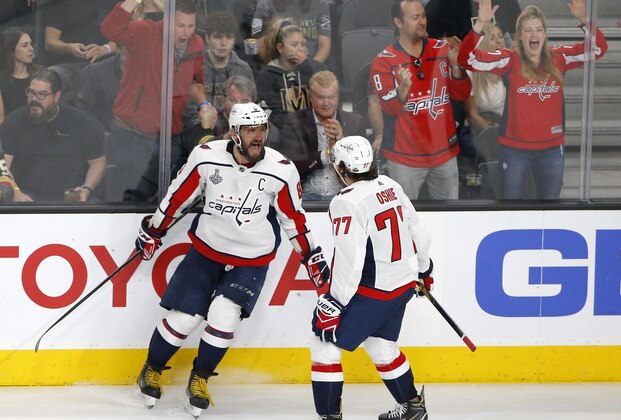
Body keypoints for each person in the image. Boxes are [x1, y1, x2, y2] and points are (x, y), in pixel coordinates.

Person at [133, 102, 330, 418]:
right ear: (234, 133)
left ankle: (199, 379)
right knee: (185, 319)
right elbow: (177, 197)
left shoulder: (281, 169)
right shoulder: (207, 156)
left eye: (262, 129)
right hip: (206, 253)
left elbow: (293, 218)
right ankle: (152, 368)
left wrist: (309, 253)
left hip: (251, 260)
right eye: (251, 130)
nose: (258, 136)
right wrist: (154, 230)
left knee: (224, 318)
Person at [309, 135, 434, 420]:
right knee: (381, 344)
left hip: (374, 291)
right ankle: (413, 407)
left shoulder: (346, 202)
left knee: (325, 344)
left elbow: (350, 261)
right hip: (402, 285)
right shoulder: (390, 185)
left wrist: (335, 303)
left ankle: (328, 416)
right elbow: (420, 233)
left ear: (341, 167)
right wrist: (424, 270)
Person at [459, 0, 608, 199]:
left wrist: (584, 19)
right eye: (528, 30)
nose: (534, 34)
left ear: (545, 34)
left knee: (550, 209)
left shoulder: (559, 57)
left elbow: (597, 49)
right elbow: (467, 59)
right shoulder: (510, 59)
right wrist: (480, 25)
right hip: (515, 152)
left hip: (552, 152)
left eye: (538, 29)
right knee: (511, 210)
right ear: (519, 36)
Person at [100, 0, 217, 201]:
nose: (186, 32)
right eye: (181, 26)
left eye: (191, 26)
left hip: (168, 134)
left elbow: (196, 81)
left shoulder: (197, 43)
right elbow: (110, 29)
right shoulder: (145, 31)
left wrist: (203, 104)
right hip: (132, 134)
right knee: (131, 201)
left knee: (164, 199)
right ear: (168, 21)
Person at [370, 0, 472, 200]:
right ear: (398, 22)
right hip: (405, 159)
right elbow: (389, 109)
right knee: (405, 221)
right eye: (415, 17)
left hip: (444, 155)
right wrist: (403, 91)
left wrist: (455, 66)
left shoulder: (443, 50)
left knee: (448, 219)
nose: (422, 21)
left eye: (423, 15)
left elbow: (462, 94)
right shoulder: (384, 61)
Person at [0, 69, 107, 202]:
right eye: (31, 93)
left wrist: (86, 189)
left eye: (42, 95)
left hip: (69, 198)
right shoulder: (14, 121)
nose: (34, 99)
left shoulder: (80, 121)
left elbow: (98, 162)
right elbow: (3, 166)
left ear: (57, 96)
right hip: (27, 197)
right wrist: (16, 192)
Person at [278, 70, 367, 198]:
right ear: (310, 97)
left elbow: (364, 169)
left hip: (345, 196)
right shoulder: (294, 122)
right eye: (320, 97)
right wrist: (327, 154)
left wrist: (343, 143)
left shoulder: (355, 123)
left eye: (331, 97)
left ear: (338, 96)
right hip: (307, 196)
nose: (326, 103)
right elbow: (290, 165)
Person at [182, 10, 254, 131]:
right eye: (218, 37)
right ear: (208, 38)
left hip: (234, 129)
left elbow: (249, 107)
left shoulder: (243, 69)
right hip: (199, 128)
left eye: (229, 37)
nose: (224, 43)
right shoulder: (193, 66)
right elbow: (186, 111)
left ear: (234, 40)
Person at [256, 18, 325, 131]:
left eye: (302, 44)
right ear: (280, 47)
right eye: (294, 45)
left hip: (314, 130)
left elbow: (325, 88)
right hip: (284, 135)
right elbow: (275, 115)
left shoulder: (312, 68)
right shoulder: (267, 76)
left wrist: (306, 67)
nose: (300, 49)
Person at [251, 0, 332, 64]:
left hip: (311, 63)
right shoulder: (265, 4)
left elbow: (324, 46)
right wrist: (276, 69)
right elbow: (260, 43)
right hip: (277, 65)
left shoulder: (320, 3)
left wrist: (311, 67)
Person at [44, 0, 118, 67]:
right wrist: (70, 48)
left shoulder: (114, 3)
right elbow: (50, 42)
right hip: (68, 64)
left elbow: (123, 37)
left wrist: (104, 49)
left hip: (105, 64)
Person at [463, 21, 506, 137]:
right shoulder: (472, 73)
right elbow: (473, 115)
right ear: (483, 44)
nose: (499, 41)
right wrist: (494, 136)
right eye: (492, 38)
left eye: (500, 36)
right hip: (479, 132)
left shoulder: (510, 69)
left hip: (504, 129)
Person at [0, 26, 40, 124]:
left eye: (31, 44)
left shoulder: (41, 74)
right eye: (24, 45)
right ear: (11, 51)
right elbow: (1, 118)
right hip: (10, 131)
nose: (31, 49)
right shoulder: (1, 78)